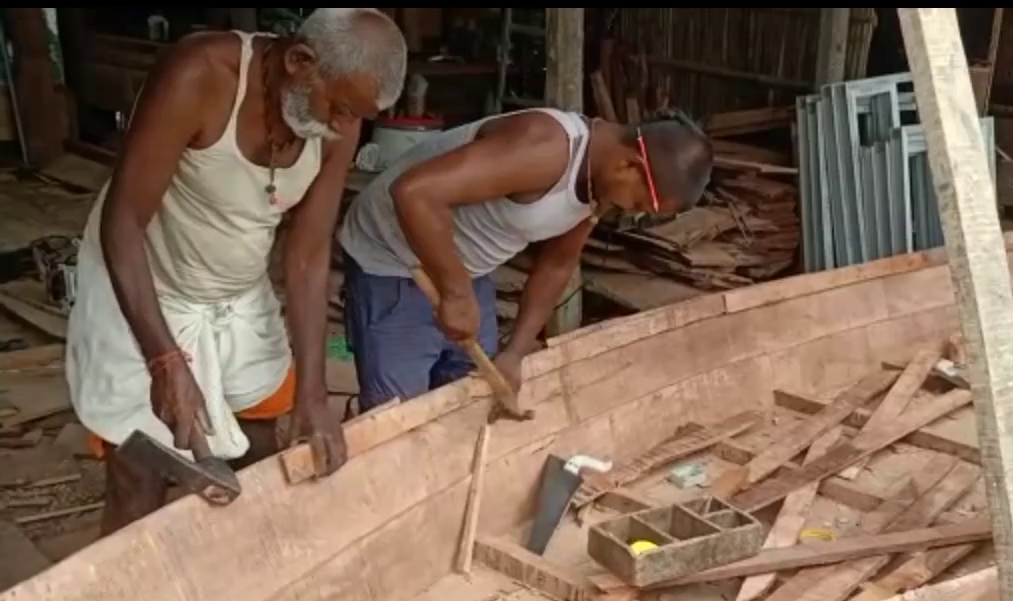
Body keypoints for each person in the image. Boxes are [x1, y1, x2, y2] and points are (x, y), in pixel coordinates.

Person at [65, 8, 408, 535]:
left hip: (234, 293)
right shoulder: (200, 75)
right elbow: (123, 224)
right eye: (338, 108)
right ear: (299, 61)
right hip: (143, 285)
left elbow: (309, 256)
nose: (343, 129)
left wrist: (314, 393)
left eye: (354, 117)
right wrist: (163, 359)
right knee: (141, 468)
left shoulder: (341, 113)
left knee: (270, 440)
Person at [338, 107, 714, 412]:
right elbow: (415, 193)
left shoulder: (597, 186)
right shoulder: (546, 148)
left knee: (466, 403)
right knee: (400, 416)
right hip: (393, 260)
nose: (630, 213)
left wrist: (516, 351)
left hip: (465, 270)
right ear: (629, 166)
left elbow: (557, 264)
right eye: (637, 203)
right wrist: (455, 293)